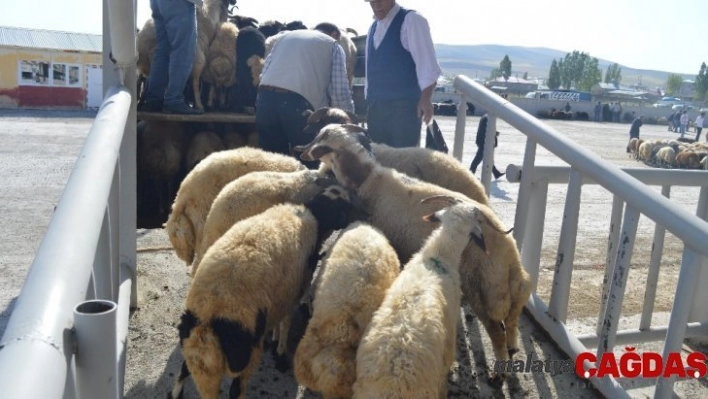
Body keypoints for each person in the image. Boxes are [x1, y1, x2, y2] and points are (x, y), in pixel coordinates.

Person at [255, 23, 354, 168]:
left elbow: (264, 73)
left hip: (264, 101)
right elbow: (340, 93)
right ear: (334, 35)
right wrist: (348, 122)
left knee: (273, 164)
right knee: (310, 163)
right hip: (296, 105)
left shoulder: (284, 38)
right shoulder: (333, 45)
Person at [364, 0, 442, 148]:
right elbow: (371, 71)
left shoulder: (411, 20)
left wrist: (425, 99)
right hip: (376, 109)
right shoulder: (373, 28)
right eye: (372, 1)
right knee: (377, 164)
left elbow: (428, 65)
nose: (376, 5)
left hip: (403, 110)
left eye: (380, 0)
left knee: (403, 162)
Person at [140, 0, 203, 114]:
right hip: (180, 3)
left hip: (158, 3)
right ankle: (174, 100)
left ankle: (154, 100)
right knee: (183, 50)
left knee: (163, 49)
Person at [469, 114, 505, 179]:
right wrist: (495, 134)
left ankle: (496, 173)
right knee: (477, 159)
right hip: (484, 142)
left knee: (488, 158)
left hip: (483, 141)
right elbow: (489, 131)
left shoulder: (486, 117)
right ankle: (470, 174)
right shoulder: (489, 118)